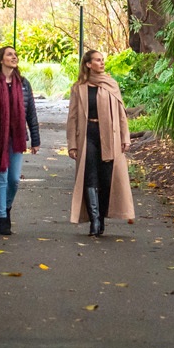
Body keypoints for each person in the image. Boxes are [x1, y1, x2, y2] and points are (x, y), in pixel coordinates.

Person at [66, 49, 135, 236]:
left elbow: (122, 114)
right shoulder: (78, 88)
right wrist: (72, 144)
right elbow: (72, 118)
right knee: (89, 177)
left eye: (102, 60)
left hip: (109, 136)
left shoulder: (111, 85)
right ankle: (94, 221)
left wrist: (125, 138)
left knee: (106, 178)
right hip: (87, 135)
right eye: (98, 60)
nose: (102, 63)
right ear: (88, 64)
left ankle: (101, 218)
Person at [0, 46, 40, 236]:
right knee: (2, 178)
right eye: (10, 54)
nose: (14, 57)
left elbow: (31, 113)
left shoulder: (24, 84)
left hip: (17, 139)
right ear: (1, 60)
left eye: (15, 55)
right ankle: (3, 218)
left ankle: (7, 205)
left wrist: (35, 139)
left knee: (14, 180)